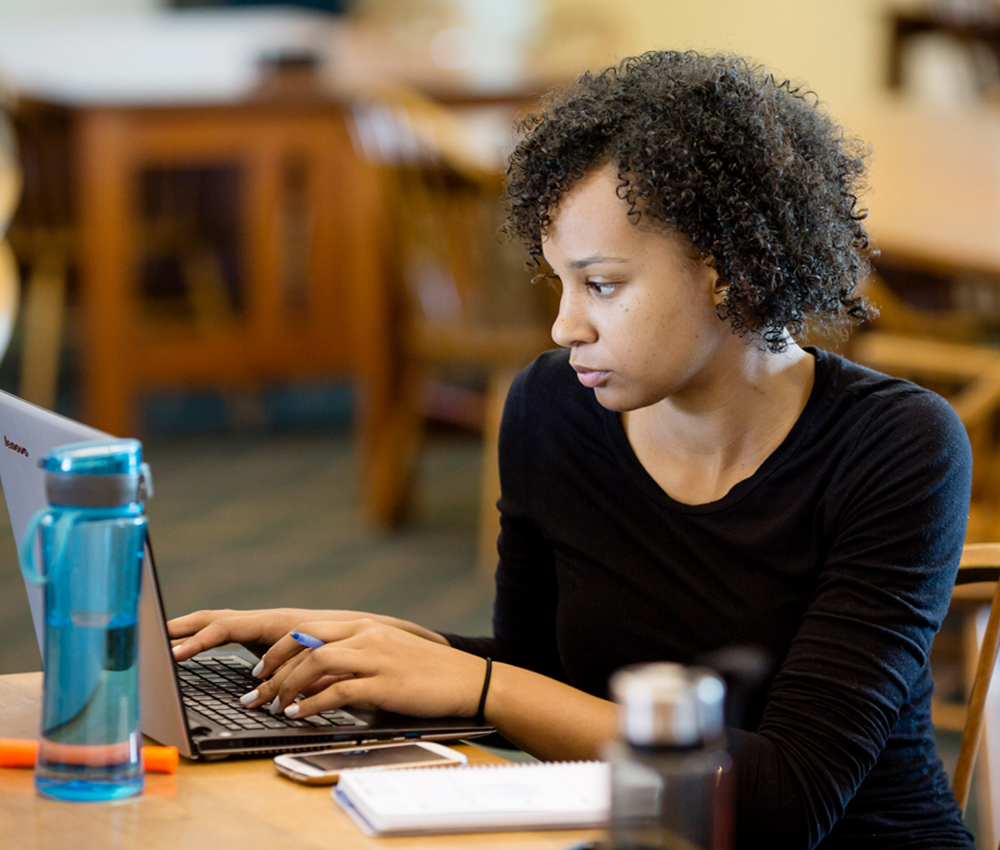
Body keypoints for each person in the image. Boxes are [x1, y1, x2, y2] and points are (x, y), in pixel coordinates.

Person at [169, 51, 975, 848]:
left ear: (728, 271)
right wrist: (368, 648)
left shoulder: (899, 447)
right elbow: (539, 678)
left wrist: (479, 683)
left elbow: (782, 805)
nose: (564, 328)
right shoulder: (552, 406)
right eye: (558, 282)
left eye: (602, 285)